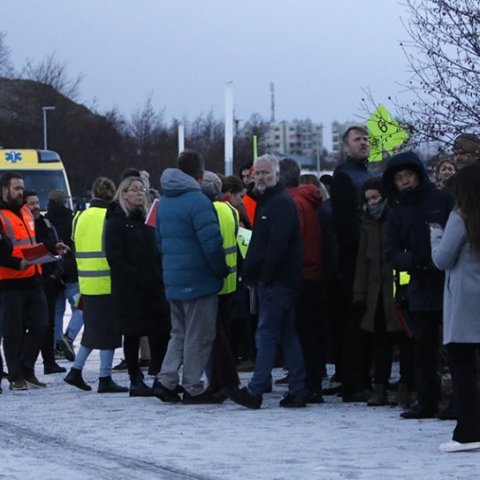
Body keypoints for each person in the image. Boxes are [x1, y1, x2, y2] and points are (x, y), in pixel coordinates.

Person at [228, 154, 306, 409]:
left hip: (276, 281)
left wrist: (264, 275)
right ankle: (297, 388)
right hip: (278, 280)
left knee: (267, 333)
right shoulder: (270, 201)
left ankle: (256, 389)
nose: (260, 177)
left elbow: (276, 245)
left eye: (265, 173)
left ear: (277, 175)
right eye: (257, 173)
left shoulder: (279, 203)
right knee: (286, 333)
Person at [383, 151, 453, 419]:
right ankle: (426, 400)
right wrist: (416, 261)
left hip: (448, 281)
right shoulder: (397, 211)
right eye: (400, 178)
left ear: (418, 174)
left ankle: (460, 401)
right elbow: (391, 252)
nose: (405, 181)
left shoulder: (442, 199)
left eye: (409, 175)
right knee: (422, 347)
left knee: (458, 345)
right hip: (420, 284)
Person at [155, 150, 228, 404]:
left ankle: (166, 380)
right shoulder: (198, 201)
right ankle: (193, 386)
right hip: (198, 280)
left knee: (179, 332)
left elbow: (160, 241)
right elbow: (211, 243)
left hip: (173, 278)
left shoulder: (164, 201)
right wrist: (221, 270)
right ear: (201, 173)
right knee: (199, 334)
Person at [430, 163, 480, 453]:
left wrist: (435, 235)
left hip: (464, 304)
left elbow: (442, 259)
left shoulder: (461, 216)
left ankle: (468, 430)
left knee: (462, 366)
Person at [105, 176, 170, 397]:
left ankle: (159, 375)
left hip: (154, 285)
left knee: (160, 330)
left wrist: (158, 274)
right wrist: (135, 277)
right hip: (130, 288)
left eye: (142, 189)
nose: (139, 193)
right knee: (132, 334)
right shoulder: (116, 221)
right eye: (134, 190)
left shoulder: (147, 218)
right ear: (123, 194)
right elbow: (115, 257)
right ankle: (135, 379)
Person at [353, 178, 413, 406]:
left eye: (375, 197)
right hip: (375, 292)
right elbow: (362, 261)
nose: (372, 203)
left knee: (404, 341)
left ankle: (406, 386)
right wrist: (359, 295)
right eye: (368, 199)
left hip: (397, 289)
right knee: (381, 343)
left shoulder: (396, 218)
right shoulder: (366, 223)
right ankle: (380, 385)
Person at [64, 177, 127, 394]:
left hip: (87, 282)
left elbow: (75, 246)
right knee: (109, 332)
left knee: (93, 330)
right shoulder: (111, 216)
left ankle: (76, 370)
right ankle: (104, 377)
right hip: (107, 282)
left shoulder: (80, 216)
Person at [330, 126, 374, 402]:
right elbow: (345, 223)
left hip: (368, 258)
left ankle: (362, 376)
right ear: (346, 147)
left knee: (365, 320)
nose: (364, 143)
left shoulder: (368, 174)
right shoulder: (344, 176)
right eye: (358, 139)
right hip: (352, 260)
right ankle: (351, 380)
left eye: (366, 139)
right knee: (353, 319)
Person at [279, 158, 324, 403]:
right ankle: (313, 382)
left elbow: (291, 243)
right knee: (310, 333)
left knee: (301, 333)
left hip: (300, 275)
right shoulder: (309, 201)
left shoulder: (293, 204)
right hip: (313, 273)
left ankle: (307, 384)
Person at [0, 172, 48, 390]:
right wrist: (16, 264)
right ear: (4, 190)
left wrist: (51, 249)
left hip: (33, 276)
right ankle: (16, 376)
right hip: (9, 281)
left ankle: (26, 368)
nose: (21, 192)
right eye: (17, 188)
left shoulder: (26, 211)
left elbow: (34, 240)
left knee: (41, 325)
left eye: (22, 188)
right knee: (13, 331)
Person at [200, 171, 240, 400]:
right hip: (230, 281)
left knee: (213, 338)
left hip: (210, 282)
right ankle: (220, 381)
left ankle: (217, 382)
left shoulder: (204, 212)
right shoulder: (231, 211)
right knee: (224, 334)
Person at [23, 190, 68, 375]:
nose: (35, 207)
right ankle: (23, 364)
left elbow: (54, 242)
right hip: (29, 279)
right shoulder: (25, 225)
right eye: (31, 203)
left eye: (36, 203)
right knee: (29, 324)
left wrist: (56, 272)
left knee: (48, 323)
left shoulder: (45, 222)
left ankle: (49, 362)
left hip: (48, 278)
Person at [46, 189, 82, 362]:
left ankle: (57, 347)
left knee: (57, 311)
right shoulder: (74, 218)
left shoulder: (45, 220)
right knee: (81, 307)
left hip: (54, 271)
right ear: (64, 202)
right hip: (73, 271)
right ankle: (68, 338)